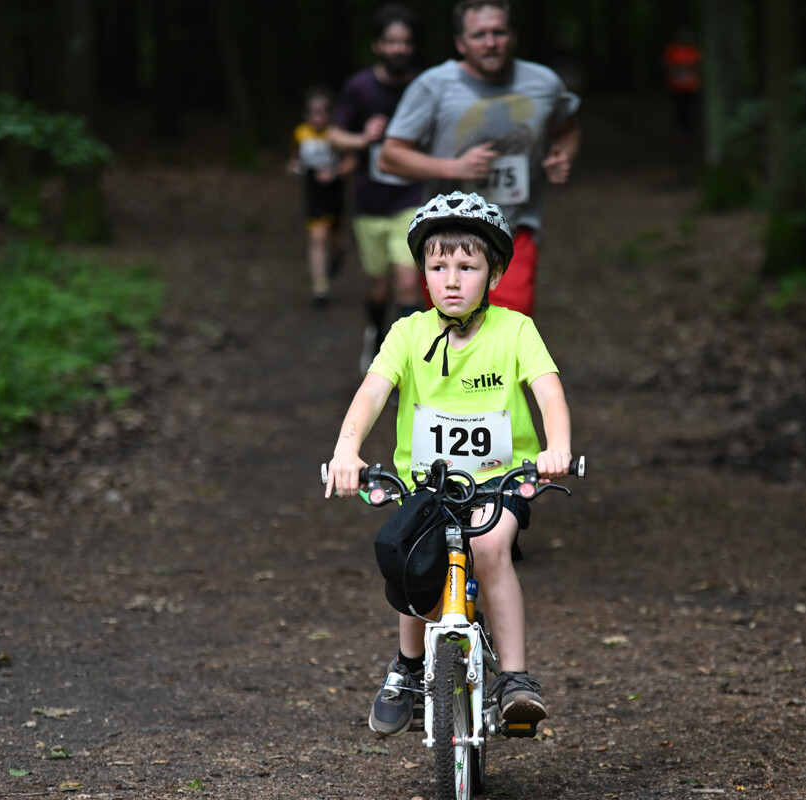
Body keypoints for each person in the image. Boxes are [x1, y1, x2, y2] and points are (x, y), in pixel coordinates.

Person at [325, 191, 572, 736]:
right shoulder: (408, 333)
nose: (452, 280)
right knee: (412, 553)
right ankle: (408, 669)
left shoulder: (515, 330)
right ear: (423, 274)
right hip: (428, 483)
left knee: (489, 548)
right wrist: (346, 450)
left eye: (468, 267)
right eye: (439, 268)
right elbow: (371, 394)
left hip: (501, 481)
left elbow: (549, 393)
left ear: (495, 274)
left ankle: (515, 680)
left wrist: (556, 447)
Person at [378, 0, 580, 318]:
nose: (490, 42)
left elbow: (568, 128)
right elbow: (389, 156)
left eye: (498, 32)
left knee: (509, 331)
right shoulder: (433, 86)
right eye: (478, 35)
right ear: (461, 43)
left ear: (513, 36)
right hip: (446, 236)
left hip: (514, 231)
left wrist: (561, 156)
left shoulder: (543, 83)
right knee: (454, 334)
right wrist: (453, 167)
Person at [328, 4, 426, 372]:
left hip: (411, 198)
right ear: (377, 45)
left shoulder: (424, 86)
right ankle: (375, 332)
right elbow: (334, 136)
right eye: (391, 42)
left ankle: (408, 361)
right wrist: (363, 138)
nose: (399, 49)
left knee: (407, 281)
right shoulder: (360, 87)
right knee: (378, 287)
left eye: (405, 42)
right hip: (370, 203)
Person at [289, 87, 354, 306]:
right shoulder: (301, 133)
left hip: (334, 191)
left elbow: (351, 160)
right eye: (313, 112)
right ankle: (320, 287)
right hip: (313, 190)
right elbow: (296, 157)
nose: (317, 117)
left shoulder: (336, 134)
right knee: (317, 235)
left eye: (322, 112)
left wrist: (335, 173)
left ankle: (337, 252)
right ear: (306, 115)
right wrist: (294, 165)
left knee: (330, 236)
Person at [662, 28, 702, 161]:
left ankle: (690, 136)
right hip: (676, 88)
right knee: (679, 112)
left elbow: (698, 67)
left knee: (690, 111)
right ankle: (680, 137)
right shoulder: (672, 51)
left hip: (691, 88)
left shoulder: (693, 51)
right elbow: (668, 67)